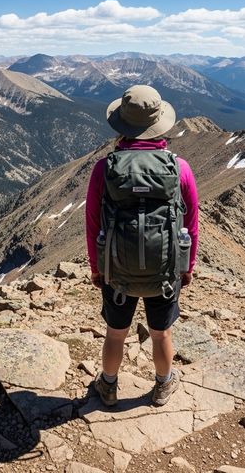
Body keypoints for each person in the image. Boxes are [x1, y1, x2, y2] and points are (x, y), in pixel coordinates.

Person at [85, 85, 198, 407]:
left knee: (115, 333)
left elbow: (93, 223)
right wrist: (185, 268)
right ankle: (163, 385)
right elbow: (191, 223)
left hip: (116, 271)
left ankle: (108, 386)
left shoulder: (104, 169)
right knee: (161, 333)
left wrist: (98, 269)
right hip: (164, 272)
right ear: (160, 122)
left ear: (121, 123)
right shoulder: (180, 169)